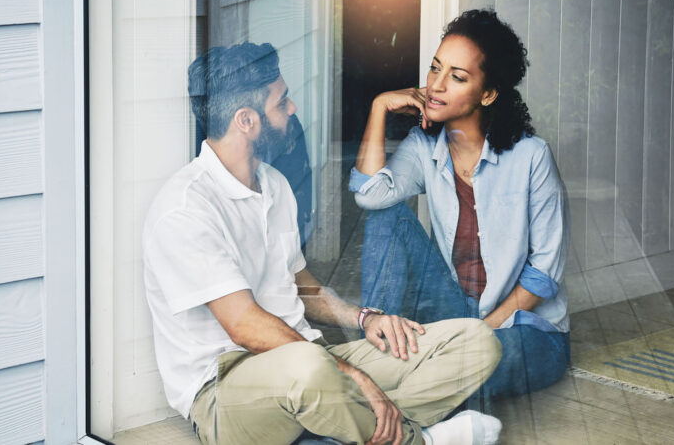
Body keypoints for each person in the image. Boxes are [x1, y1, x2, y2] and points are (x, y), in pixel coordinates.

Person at [144, 41, 504, 445]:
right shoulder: (185, 209)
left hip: (309, 360)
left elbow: (303, 287)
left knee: (476, 342)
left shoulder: (273, 185)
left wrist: (366, 319)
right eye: (282, 103)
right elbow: (244, 326)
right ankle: (418, 440)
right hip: (226, 391)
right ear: (246, 120)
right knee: (311, 370)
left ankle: (343, 427)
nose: (293, 109)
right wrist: (351, 375)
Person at [350, 9, 570, 405]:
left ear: (488, 94)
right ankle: (377, 336)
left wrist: (479, 332)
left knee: (471, 369)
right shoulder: (424, 147)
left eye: (457, 76)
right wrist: (380, 106)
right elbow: (370, 195)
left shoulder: (531, 157)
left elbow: (544, 273)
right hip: (453, 310)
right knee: (387, 214)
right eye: (435, 69)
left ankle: (397, 394)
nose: (435, 85)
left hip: (522, 328)